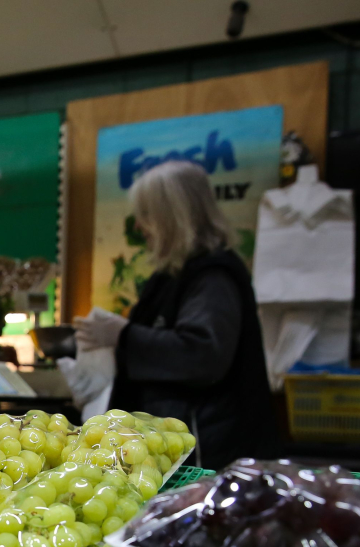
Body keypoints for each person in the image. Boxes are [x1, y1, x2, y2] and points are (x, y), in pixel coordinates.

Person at [74, 160, 278, 470]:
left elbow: (202, 354)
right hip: (184, 444)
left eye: (146, 215)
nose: (140, 227)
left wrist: (123, 334)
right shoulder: (173, 276)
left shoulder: (212, 277)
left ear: (173, 216)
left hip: (209, 454)